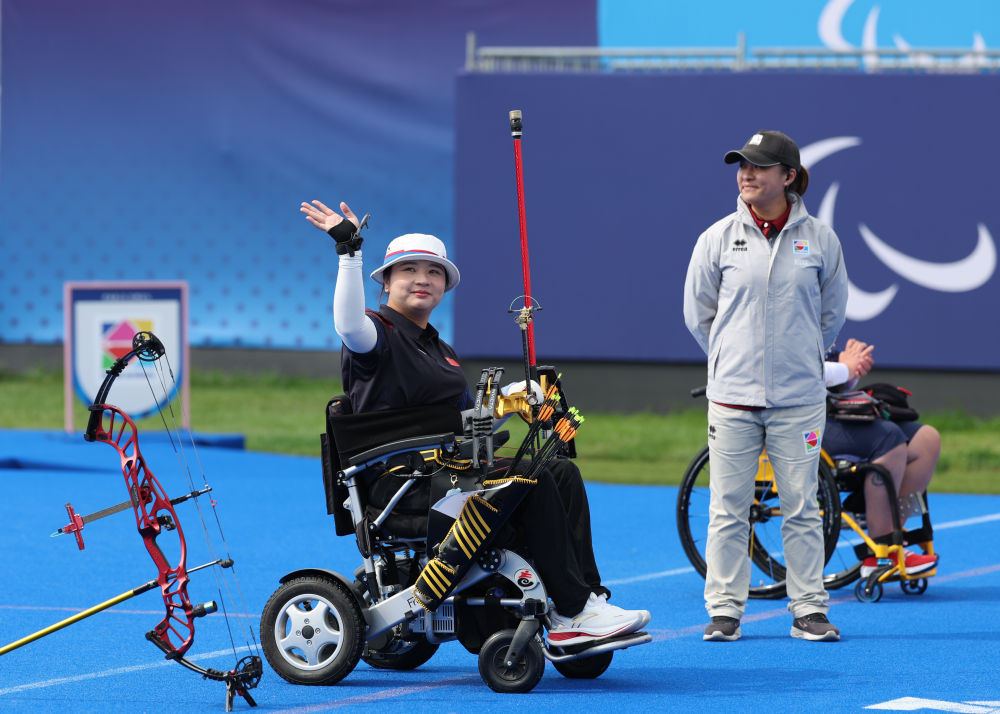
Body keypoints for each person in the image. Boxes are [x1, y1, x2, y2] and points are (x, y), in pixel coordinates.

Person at [302, 198, 650, 647]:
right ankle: (572, 609)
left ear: (445, 286)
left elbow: (467, 419)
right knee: (530, 477)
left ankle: (583, 601)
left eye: (434, 272)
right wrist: (349, 252)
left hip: (450, 473)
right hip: (407, 485)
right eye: (409, 270)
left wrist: (514, 398)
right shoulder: (374, 334)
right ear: (385, 282)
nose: (422, 279)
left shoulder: (439, 349)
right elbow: (348, 325)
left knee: (560, 471)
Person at [683, 130, 849, 642]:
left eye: (758, 166)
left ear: (789, 176)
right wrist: (732, 359)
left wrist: (798, 358)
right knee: (727, 508)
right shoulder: (716, 237)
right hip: (731, 397)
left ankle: (809, 610)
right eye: (742, 166)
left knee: (802, 506)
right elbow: (698, 315)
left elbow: (831, 316)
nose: (747, 174)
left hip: (799, 400)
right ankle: (725, 612)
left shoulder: (821, 239)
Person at [823, 338, 940, 576]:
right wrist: (844, 367)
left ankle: (892, 534)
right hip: (796, 422)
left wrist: (852, 373)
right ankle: (882, 551)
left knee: (926, 439)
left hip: (826, 410)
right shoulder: (773, 324)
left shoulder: (812, 321)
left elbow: (826, 384)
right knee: (888, 438)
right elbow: (793, 376)